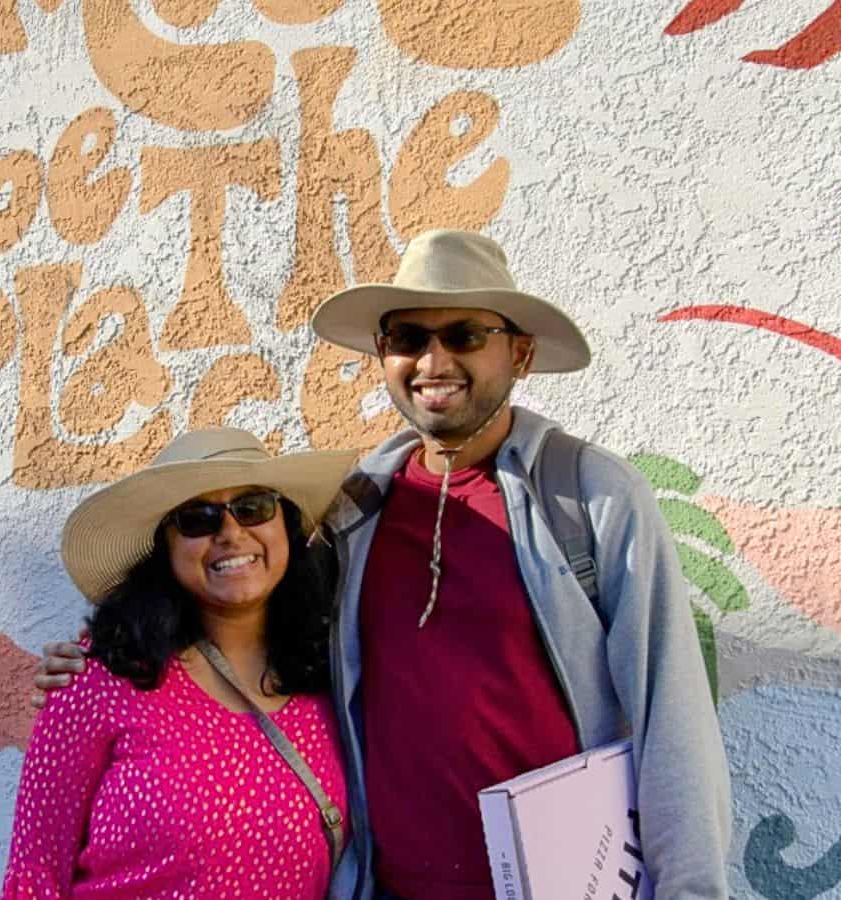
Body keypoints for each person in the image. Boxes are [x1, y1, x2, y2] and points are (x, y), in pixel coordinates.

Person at [36, 230, 732, 899]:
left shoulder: (589, 498)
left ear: (518, 354)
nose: (433, 362)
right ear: (382, 351)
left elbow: (671, 717)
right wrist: (100, 667)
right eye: (408, 337)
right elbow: (240, 601)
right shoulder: (353, 514)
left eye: (463, 335)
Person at [3, 427, 358, 898]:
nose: (231, 533)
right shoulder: (96, 680)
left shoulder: (332, 676)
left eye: (253, 507)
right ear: (165, 549)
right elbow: (33, 876)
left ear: (285, 524)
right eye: (198, 519)